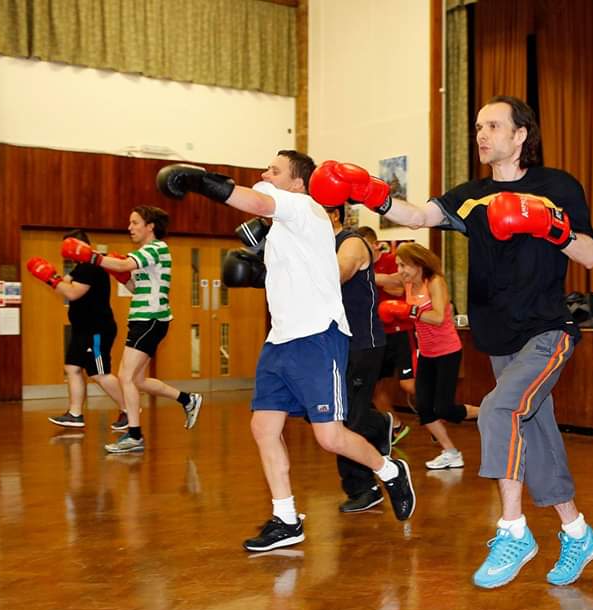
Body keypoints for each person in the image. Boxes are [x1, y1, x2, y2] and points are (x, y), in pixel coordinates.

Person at [310, 96, 593, 589]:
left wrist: (548, 225)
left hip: (547, 329)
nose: (482, 135)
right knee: (537, 434)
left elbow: (591, 255)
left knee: (498, 411)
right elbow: (420, 214)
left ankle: (513, 530)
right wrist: (371, 192)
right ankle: (577, 531)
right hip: (498, 337)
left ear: (521, 135)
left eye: (493, 126)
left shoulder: (558, 187)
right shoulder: (473, 195)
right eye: (477, 127)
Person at [153, 151, 414, 551]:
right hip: (280, 340)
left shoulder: (303, 206)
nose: (263, 174)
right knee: (263, 428)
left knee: (330, 437)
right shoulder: (282, 231)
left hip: (317, 337)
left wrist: (201, 181)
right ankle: (287, 518)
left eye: (274, 170)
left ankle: (389, 469)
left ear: (297, 183)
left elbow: (257, 201)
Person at [60, 208, 203, 453]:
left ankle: (134, 436)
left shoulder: (157, 248)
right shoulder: (145, 254)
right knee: (137, 379)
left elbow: (125, 262)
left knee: (125, 377)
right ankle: (187, 399)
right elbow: (137, 288)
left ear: (150, 226)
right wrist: (123, 278)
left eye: (135, 222)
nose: (130, 227)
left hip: (150, 319)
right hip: (143, 319)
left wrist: (94, 257)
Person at [378, 242, 477, 470]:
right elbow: (383, 279)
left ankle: (489, 412)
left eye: (404, 265)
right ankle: (451, 452)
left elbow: (439, 316)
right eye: (398, 265)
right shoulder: (408, 283)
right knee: (424, 407)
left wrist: (408, 310)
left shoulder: (435, 281)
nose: (400, 269)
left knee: (443, 408)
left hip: (447, 352)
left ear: (417, 263)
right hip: (427, 353)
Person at [328, 207, 395, 514]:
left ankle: (364, 488)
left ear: (333, 215)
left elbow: (336, 275)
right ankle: (379, 422)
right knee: (322, 413)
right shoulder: (318, 245)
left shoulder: (350, 242)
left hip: (362, 343)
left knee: (345, 421)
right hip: (332, 344)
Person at [26, 229, 126, 430]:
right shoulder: (81, 268)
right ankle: (75, 414)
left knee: (99, 373)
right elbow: (69, 280)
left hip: (97, 329)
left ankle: (128, 409)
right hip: (83, 328)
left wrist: (51, 279)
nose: (67, 253)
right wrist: (58, 277)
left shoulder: (91, 267)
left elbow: (72, 293)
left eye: (69, 247)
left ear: (80, 246)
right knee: (72, 368)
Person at [370, 234, 417, 445]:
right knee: (374, 386)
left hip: (400, 330)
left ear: (373, 245)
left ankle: (437, 414)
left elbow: (399, 286)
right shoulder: (356, 265)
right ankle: (396, 426)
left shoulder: (390, 261)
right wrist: (382, 281)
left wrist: (371, 278)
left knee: (408, 385)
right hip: (378, 334)